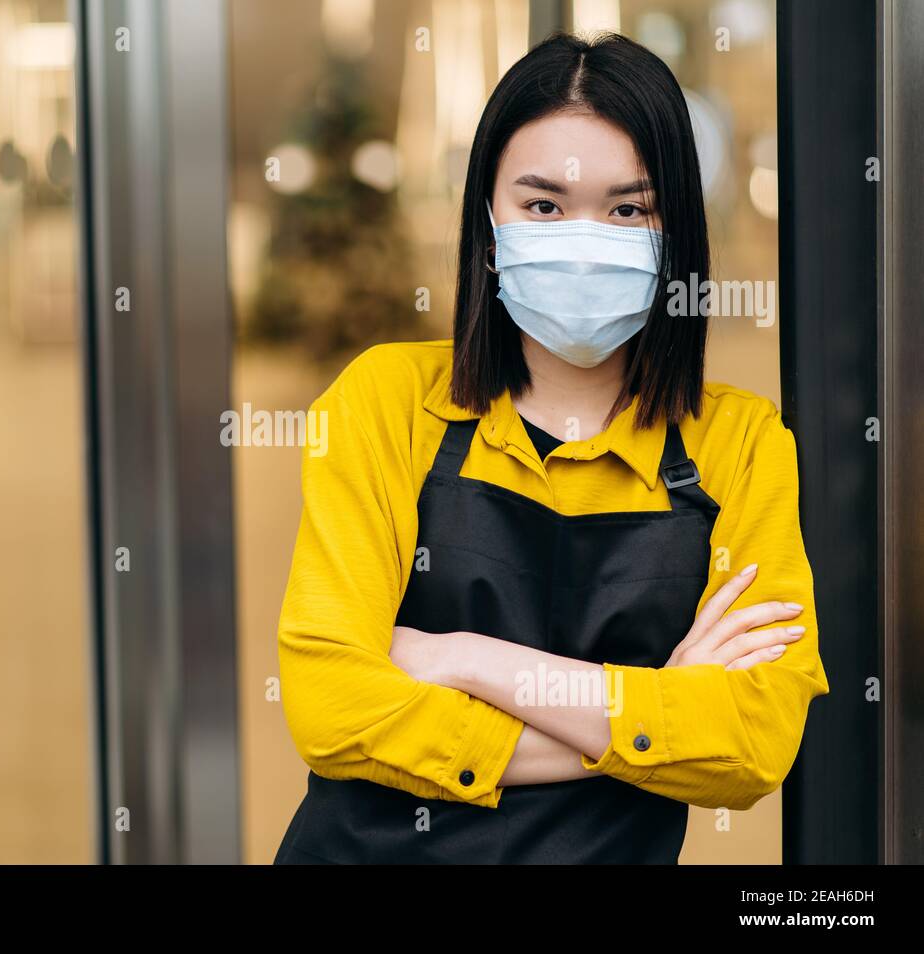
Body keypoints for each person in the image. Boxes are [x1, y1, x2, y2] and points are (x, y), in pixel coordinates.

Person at [272, 31, 830, 865]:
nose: (581, 237)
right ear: (488, 228)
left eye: (626, 208)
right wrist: (655, 715)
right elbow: (329, 708)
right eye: (543, 205)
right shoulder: (384, 402)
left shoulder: (743, 445)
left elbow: (753, 743)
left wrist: (462, 659)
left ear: (674, 232)